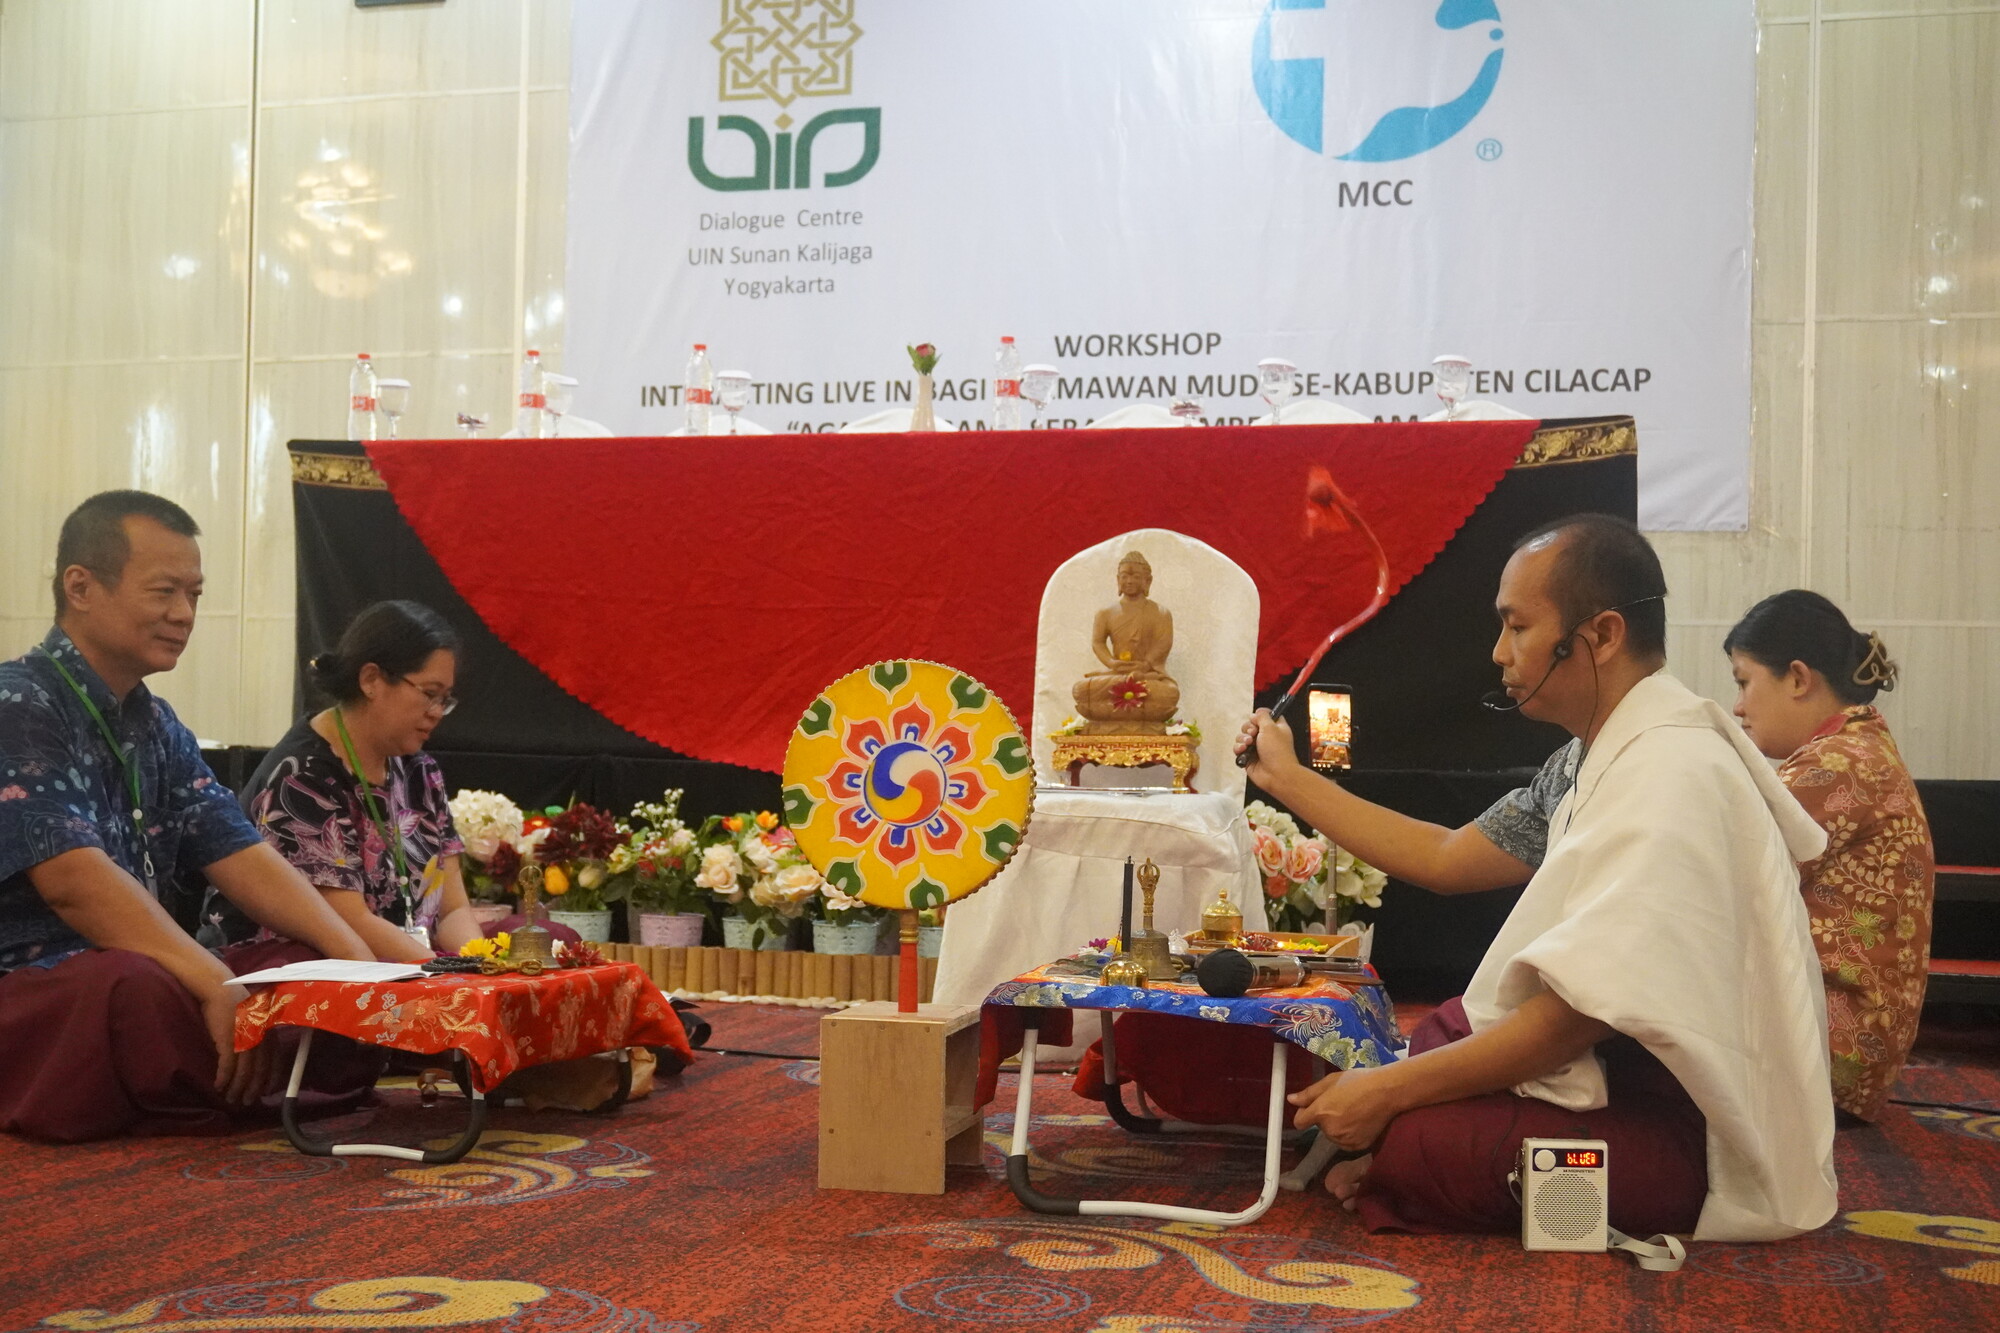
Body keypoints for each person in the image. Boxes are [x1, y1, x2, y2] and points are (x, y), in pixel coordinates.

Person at [1236, 514, 1837, 1242]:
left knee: (1421, 1143)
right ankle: (1422, 1154)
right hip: (1608, 1070)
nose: (1499, 652)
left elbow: (1573, 1018)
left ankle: (1425, 1168)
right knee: (1444, 1032)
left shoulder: (1673, 771)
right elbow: (1448, 857)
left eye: (1516, 626)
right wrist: (1288, 778)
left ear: (1603, 634)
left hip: (1694, 1131)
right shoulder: (1593, 753)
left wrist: (1387, 1093)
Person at [0, 491, 375, 1143]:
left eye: (195, 594)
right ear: (81, 586)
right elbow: (73, 882)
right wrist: (212, 980)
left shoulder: (157, 723)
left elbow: (242, 854)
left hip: (157, 966)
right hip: (44, 981)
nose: (184, 614)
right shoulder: (18, 701)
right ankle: (249, 1078)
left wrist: (357, 962)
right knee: (131, 988)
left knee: (302, 962)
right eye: (164, 591)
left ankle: (228, 1076)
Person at [1726, 590, 1933, 1124]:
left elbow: (1724, 871)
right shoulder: (1858, 749)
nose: (1738, 707)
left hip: (1827, 1053)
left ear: (1797, 678)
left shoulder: (1839, 763)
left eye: (1744, 681)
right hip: (1847, 1047)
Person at [241, 600, 480, 963]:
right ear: (371, 680)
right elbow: (348, 921)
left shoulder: (420, 772)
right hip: (316, 971)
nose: (436, 713)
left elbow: (452, 910)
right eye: (429, 694)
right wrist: (445, 977)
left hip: (411, 966)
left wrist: (481, 964)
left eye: (444, 700)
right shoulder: (301, 778)